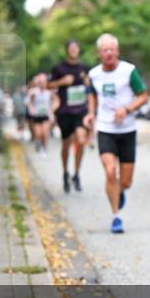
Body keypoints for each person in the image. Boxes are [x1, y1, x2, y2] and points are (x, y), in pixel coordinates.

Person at [83, 34, 149, 234]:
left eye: (112, 49)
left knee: (126, 182)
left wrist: (126, 110)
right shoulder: (94, 74)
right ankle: (116, 217)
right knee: (110, 171)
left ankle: (119, 191)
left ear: (117, 51)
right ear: (99, 53)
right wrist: (90, 114)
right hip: (106, 129)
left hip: (127, 130)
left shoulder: (129, 71)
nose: (109, 53)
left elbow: (143, 96)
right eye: (105, 50)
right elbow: (92, 95)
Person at [50, 40, 91, 193]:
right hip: (65, 111)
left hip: (81, 110)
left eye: (76, 48)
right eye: (71, 48)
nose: (74, 50)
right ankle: (65, 172)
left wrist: (88, 84)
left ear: (79, 50)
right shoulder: (59, 68)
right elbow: (48, 85)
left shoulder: (84, 68)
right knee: (66, 144)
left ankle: (77, 173)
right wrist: (62, 81)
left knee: (81, 140)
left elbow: (91, 88)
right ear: (67, 50)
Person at [27, 73, 57, 155]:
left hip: (45, 115)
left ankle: (44, 147)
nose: (42, 84)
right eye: (40, 82)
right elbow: (30, 102)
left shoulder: (49, 92)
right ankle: (39, 144)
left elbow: (56, 101)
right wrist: (31, 109)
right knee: (38, 133)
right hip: (36, 115)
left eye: (43, 82)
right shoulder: (33, 92)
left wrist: (52, 109)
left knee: (45, 132)